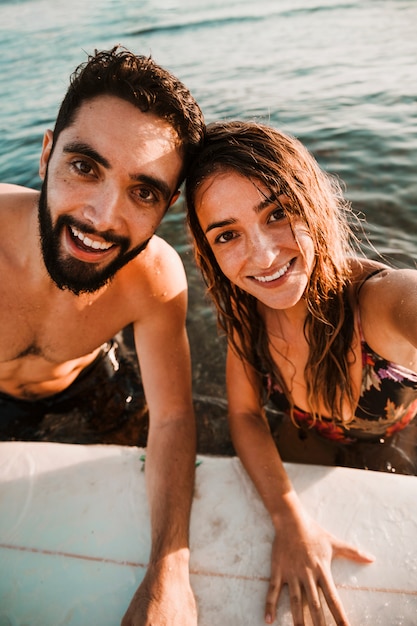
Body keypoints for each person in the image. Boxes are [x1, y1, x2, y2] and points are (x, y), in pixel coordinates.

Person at [0, 47, 205, 625]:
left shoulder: (155, 277)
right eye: (85, 166)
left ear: (166, 207)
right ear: (45, 154)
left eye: (144, 191)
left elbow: (171, 418)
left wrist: (170, 574)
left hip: (93, 379)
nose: (102, 217)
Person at [185, 120, 417, 625]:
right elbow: (245, 416)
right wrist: (289, 519)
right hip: (308, 433)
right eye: (228, 234)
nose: (263, 256)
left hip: (400, 432)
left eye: (278, 213)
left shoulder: (380, 302)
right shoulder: (248, 318)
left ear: (313, 201)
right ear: (208, 249)